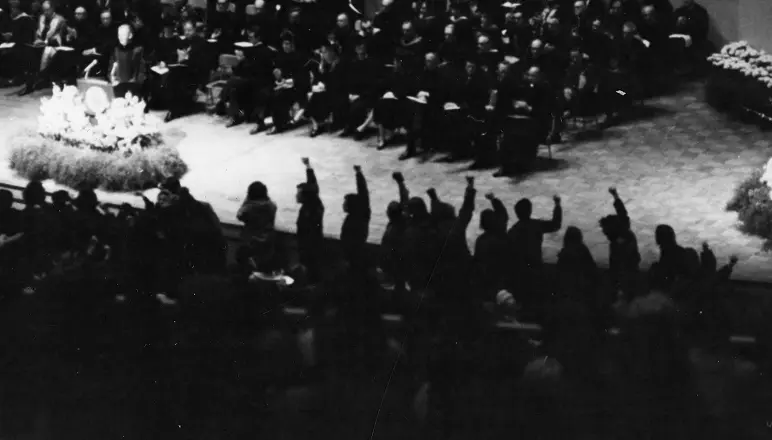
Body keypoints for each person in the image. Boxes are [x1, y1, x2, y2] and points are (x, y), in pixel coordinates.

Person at [507, 194, 562, 314]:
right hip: (536, 268)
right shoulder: (536, 225)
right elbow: (556, 224)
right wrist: (557, 205)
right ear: (530, 210)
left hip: (519, 272)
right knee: (537, 301)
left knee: (523, 302)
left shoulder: (512, 231)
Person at [19, 0, 66, 95]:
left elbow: (59, 36)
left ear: (52, 9)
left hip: (55, 46)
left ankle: (41, 78)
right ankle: (29, 84)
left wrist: (46, 42)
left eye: (47, 10)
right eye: (44, 10)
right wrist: (37, 40)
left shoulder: (60, 19)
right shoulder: (42, 17)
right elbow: (38, 32)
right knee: (28, 52)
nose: (45, 12)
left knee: (45, 51)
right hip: (41, 45)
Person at [237, 181, 279, 271]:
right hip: (268, 240)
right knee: (263, 265)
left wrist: (247, 200)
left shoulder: (250, 207)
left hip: (251, 241)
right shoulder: (272, 205)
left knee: (247, 265)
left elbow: (239, 215)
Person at [296, 158, 325, 283]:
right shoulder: (314, 203)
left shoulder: (311, 211)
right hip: (312, 247)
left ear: (305, 196)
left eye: (299, 193)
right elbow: (313, 185)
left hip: (309, 249)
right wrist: (308, 167)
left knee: (309, 273)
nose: (296, 195)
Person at [340, 165, 371, 271]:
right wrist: (358, 173)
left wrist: (346, 258)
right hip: (356, 255)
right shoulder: (361, 214)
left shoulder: (355, 219)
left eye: (345, 203)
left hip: (353, 258)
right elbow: (363, 193)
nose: (343, 205)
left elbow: (363, 192)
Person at [109, 23, 146, 99]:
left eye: (123, 35)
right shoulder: (115, 51)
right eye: (119, 35)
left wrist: (135, 86)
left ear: (130, 35)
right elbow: (110, 69)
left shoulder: (138, 51)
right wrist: (112, 79)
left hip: (134, 89)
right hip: (118, 88)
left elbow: (142, 71)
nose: (120, 37)